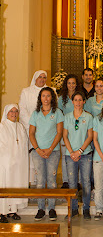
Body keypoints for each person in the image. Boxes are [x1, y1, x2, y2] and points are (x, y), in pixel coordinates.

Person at [29, 87, 64, 221]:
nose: (46, 98)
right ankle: (40, 208)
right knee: (40, 181)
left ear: (52, 98)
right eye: (43, 96)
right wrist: (37, 149)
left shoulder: (57, 113)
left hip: (53, 152)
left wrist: (50, 149)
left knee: (52, 181)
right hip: (37, 152)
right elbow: (31, 133)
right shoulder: (35, 114)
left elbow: (59, 133)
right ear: (40, 98)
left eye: (48, 96)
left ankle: (52, 208)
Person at [63, 91, 93, 220]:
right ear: (72, 102)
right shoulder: (67, 117)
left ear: (84, 102)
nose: (78, 102)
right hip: (70, 155)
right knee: (72, 182)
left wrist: (79, 151)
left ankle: (86, 208)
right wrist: (71, 152)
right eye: (76, 100)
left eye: (80, 100)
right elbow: (65, 135)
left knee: (86, 182)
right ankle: (74, 209)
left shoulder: (89, 117)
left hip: (85, 154)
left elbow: (90, 136)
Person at [0, 104, 29, 223]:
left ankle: (13, 210)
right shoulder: (2, 126)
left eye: (16, 111)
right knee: (5, 185)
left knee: (16, 184)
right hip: (6, 163)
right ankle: (2, 212)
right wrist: (9, 159)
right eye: (11, 111)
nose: (14, 113)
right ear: (6, 113)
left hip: (18, 163)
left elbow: (24, 144)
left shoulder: (20, 126)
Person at [19, 70, 48, 183]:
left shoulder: (50, 91)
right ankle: (32, 181)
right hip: (30, 128)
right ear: (35, 78)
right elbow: (22, 109)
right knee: (32, 154)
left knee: (44, 154)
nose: (42, 79)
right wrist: (33, 125)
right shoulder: (26, 92)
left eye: (44, 77)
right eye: (40, 77)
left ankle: (42, 182)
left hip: (46, 130)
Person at [58, 74, 80, 188]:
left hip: (78, 129)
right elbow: (59, 115)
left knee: (78, 153)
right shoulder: (62, 98)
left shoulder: (79, 97)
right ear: (66, 84)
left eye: (73, 83)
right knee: (66, 154)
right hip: (66, 129)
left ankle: (77, 180)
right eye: (69, 83)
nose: (71, 85)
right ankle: (66, 180)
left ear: (76, 84)